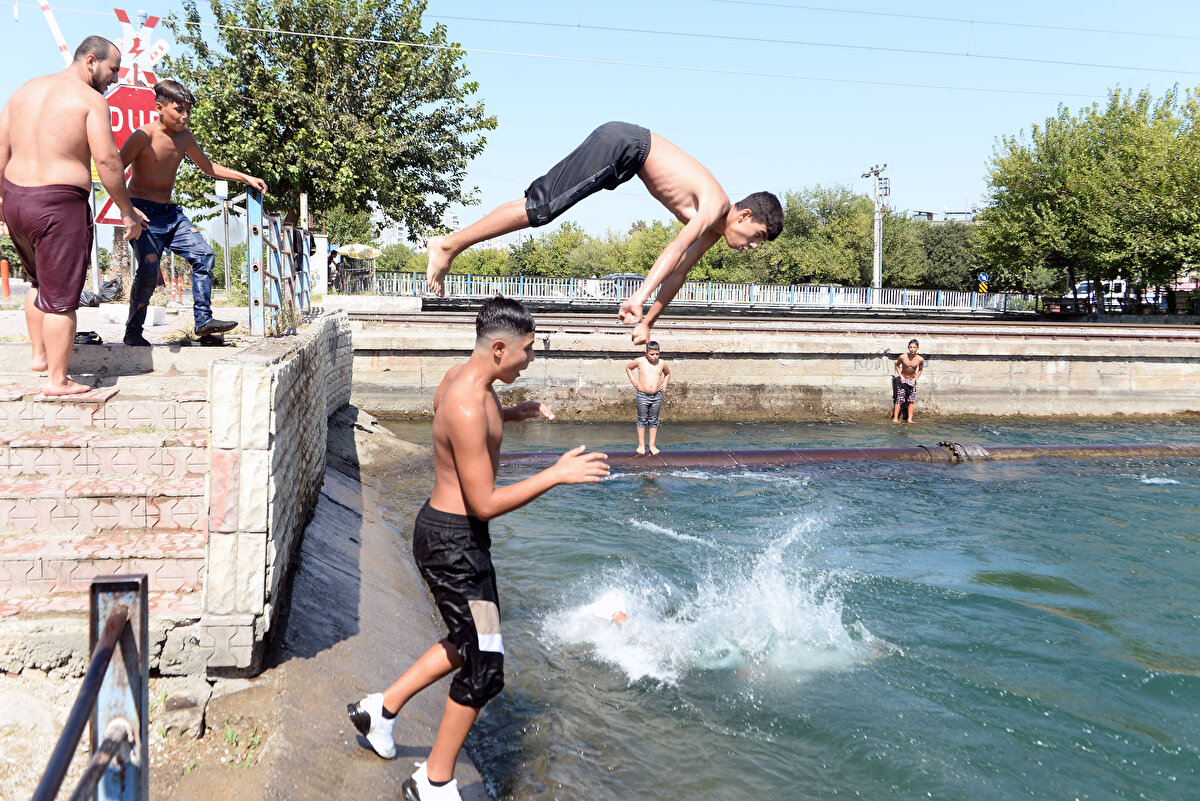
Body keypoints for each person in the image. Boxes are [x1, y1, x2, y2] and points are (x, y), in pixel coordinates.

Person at [347, 296, 609, 801]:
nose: (530, 360)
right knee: (485, 669)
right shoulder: (469, 404)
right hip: (454, 548)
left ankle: (380, 710)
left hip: (457, 541)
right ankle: (433, 781)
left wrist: (510, 415)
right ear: (499, 348)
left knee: (469, 639)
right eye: (528, 350)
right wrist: (555, 474)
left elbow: (451, 420)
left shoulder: (462, 381)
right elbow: (484, 502)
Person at [425, 122, 783, 344]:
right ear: (744, 215)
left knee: (541, 206)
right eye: (758, 235)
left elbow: (679, 272)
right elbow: (675, 250)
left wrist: (649, 322)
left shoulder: (713, 229)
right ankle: (448, 245)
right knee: (541, 207)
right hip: (625, 145)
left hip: (627, 156)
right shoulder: (715, 206)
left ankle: (450, 245)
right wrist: (639, 297)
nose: (753, 246)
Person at [0, 36, 145, 395]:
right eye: (113, 69)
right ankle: (58, 380)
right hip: (59, 203)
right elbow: (107, 160)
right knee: (62, 298)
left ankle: (39, 358)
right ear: (91, 61)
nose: (115, 78)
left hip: (16, 199)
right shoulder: (90, 100)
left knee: (39, 283)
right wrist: (127, 211)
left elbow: (1, 150)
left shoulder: (23, 91)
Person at [119, 79, 267, 346]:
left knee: (204, 254)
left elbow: (208, 167)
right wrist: (129, 209)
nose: (184, 116)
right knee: (149, 272)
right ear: (159, 108)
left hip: (171, 214)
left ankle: (203, 322)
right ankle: (133, 333)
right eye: (179, 110)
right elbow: (114, 170)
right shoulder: (143, 136)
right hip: (144, 215)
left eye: (188, 111)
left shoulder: (184, 137)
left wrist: (245, 177)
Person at [625, 340, 671, 455]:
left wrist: (665, 384)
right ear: (646, 353)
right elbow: (628, 368)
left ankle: (652, 445)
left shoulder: (661, 363)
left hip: (656, 396)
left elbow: (668, 374)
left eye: (657, 354)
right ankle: (641, 445)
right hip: (642, 395)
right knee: (642, 419)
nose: (655, 357)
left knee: (654, 420)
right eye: (652, 354)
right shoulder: (640, 361)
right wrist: (633, 380)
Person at [892, 338, 925, 423]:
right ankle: (895, 418)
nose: (912, 349)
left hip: (912, 380)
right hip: (903, 379)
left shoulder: (920, 359)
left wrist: (915, 379)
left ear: (917, 348)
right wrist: (901, 376)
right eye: (910, 347)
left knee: (911, 400)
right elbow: (897, 366)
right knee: (899, 399)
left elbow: (920, 370)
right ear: (908, 347)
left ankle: (909, 419)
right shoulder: (903, 357)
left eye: (914, 347)